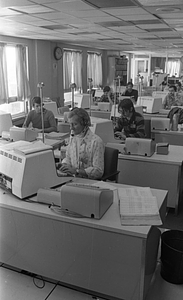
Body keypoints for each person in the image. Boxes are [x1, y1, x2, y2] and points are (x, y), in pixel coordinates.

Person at [57, 107, 105, 179]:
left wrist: (77, 171)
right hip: (73, 179)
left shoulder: (96, 142)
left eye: (75, 124)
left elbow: (98, 171)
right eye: (70, 124)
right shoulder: (73, 138)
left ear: (84, 123)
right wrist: (63, 165)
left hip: (89, 182)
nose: (71, 128)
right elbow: (68, 158)